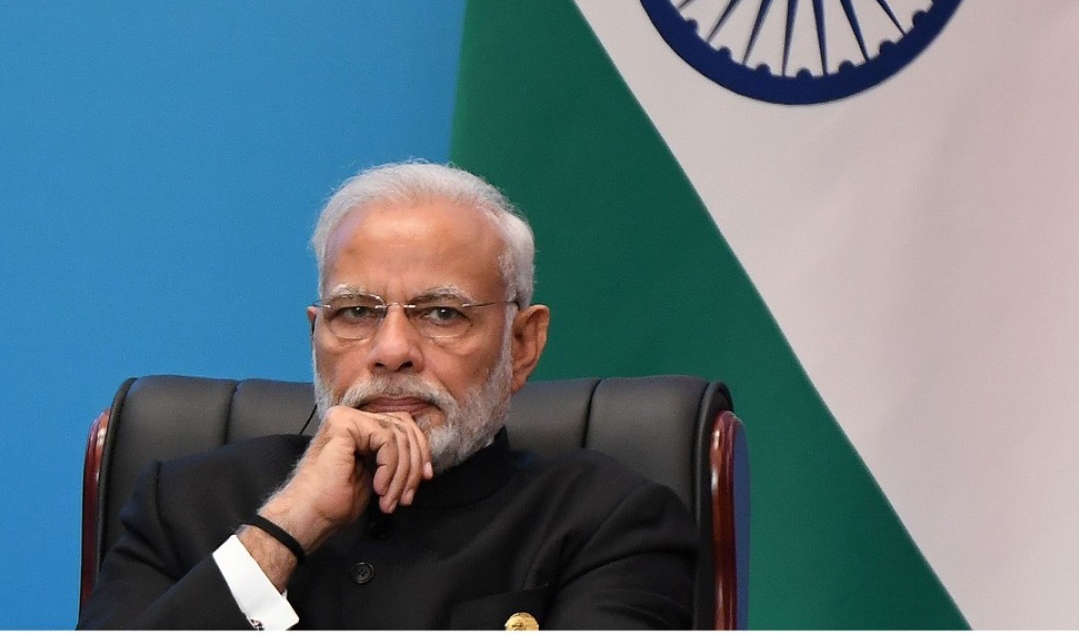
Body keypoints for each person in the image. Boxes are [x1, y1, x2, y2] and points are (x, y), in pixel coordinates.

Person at [78, 161, 697, 630]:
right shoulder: (180, 506)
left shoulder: (612, 522)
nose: (391, 349)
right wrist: (288, 527)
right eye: (355, 312)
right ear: (315, 334)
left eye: (442, 314)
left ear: (523, 344)